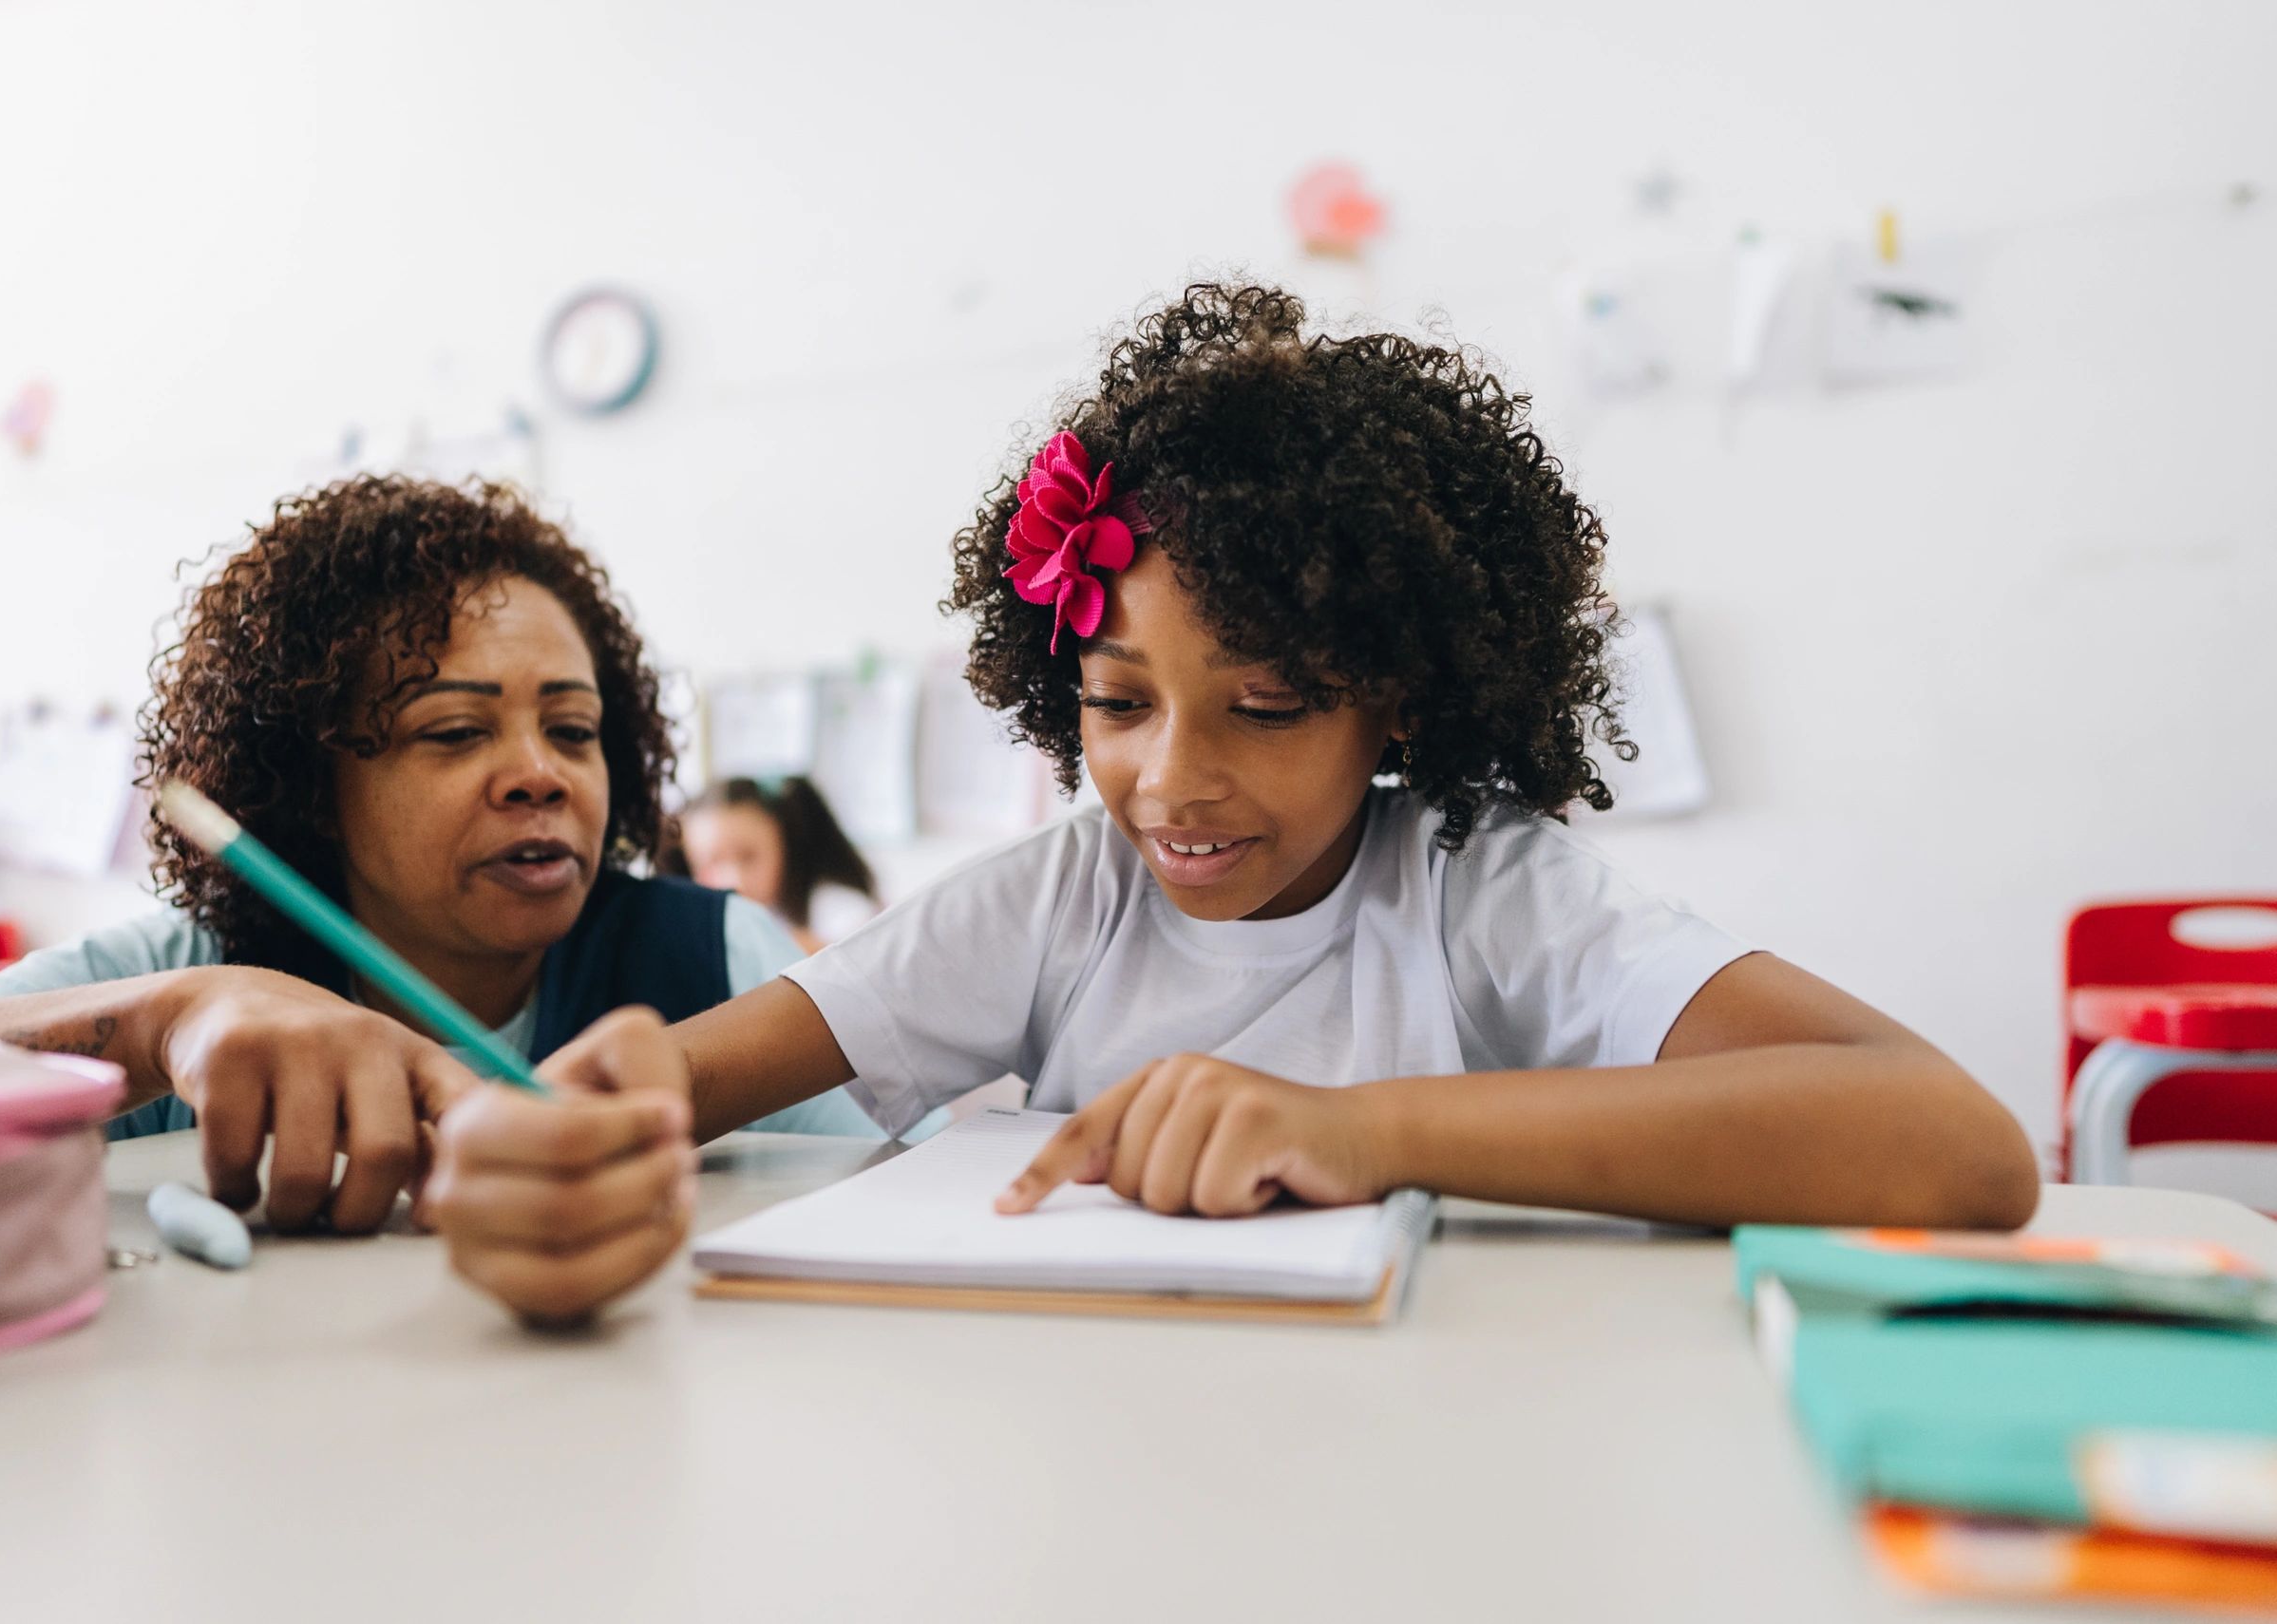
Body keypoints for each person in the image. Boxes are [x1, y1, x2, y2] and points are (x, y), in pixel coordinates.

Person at [427, 283, 2039, 1324]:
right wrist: (583, 1116)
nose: (1173, 781)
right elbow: (647, 1093)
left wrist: (1364, 1129)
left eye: (1266, 705)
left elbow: (1954, 1148)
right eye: (1118, 705)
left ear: (1397, 696)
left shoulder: (1482, 890)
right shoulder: (1061, 897)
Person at [0, 476, 876, 1247]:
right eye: (451, 733)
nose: (540, 776)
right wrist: (155, 1022)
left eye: (572, 729)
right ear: (309, 782)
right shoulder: (188, 971)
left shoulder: (714, 957)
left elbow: (893, 1220)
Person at [678, 776, 881, 953]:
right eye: (711, 862)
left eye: (748, 856)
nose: (734, 880)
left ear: (785, 843)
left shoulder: (844, 913)